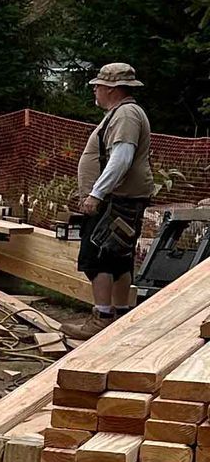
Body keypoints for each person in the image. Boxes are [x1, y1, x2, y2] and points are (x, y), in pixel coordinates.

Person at [72, 62, 155, 321]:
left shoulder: (126, 115)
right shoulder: (121, 113)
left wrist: (96, 194)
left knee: (98, 257)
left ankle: (103, 318)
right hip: (119, 198)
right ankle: (119, 316)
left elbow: (121, 157)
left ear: (111, 89)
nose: (95, 90)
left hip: (115, 200)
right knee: (117, 258)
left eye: (98, 86)